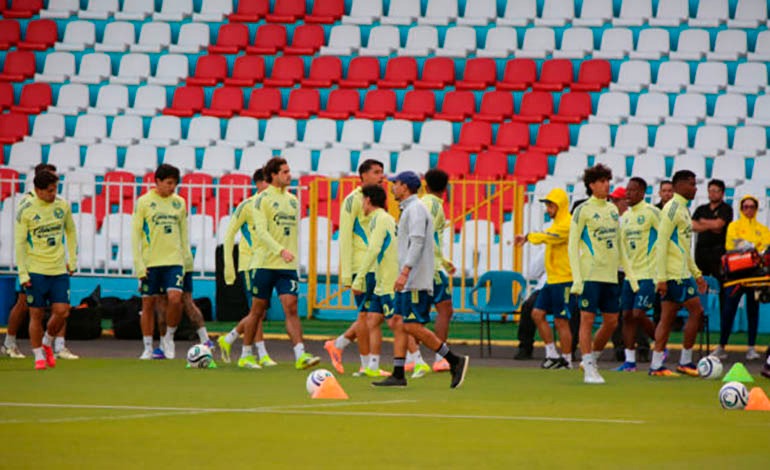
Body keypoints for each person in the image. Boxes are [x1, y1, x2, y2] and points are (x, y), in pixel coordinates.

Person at [373, 171, 469, 388]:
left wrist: (405, 272)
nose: (393, 187)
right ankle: (398, 373)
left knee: (412, 326)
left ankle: (453, 360)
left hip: (415, 279)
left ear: (405, 187)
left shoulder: (416, 209)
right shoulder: (410, 209)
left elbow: (417, 242)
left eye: (396, 183)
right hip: (410, 278)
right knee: (399, 322)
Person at [2, 163, 78, 360]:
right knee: (22, 304)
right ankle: (10, 342)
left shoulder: (59, 205)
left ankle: (58, 345)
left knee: (60, 306)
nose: (54, 191)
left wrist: (71, 258)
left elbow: (69, 230)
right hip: (33, 265)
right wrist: (23, 270)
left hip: (54, 264)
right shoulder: (27, 203)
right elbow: (21, 239)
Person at [251, 157, 320, 370]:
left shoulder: (293, 200)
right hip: (265, 263)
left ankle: (300, 354)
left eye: (289, 171)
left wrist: (290, 255)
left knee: (291, 307)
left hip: (287, 266)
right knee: (257, 311)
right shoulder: (261, 200)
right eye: (285, 172)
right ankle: (247, 352)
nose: (289, 175)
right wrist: (280, 250)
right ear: (273, 175)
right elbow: (261, 232)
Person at [323, 159, 388, 377]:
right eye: (376, 172)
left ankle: (339, 344)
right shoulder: (353, 201)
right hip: (362, 267)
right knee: (366, 316)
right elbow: (345, 237)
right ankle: (365, 364)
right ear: (363, 175)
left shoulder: (379, 199)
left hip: (378, 266)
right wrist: (348, 275)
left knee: (374, 315)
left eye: (382, 172)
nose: (381, 176)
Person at [131, 164, 191, 360]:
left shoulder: (179, 203)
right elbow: (135, 235)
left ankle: (168, 338)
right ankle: (148, 347)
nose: (172, 187)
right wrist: (139, 265)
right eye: (169, 183)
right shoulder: (144, 202)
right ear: (157, 181)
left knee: (175, 299)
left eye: (175, 184)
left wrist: (187, 260)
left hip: (174, 260)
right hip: (151, 262)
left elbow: (184, 234)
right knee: (148, 304)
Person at [651, 170, 707, 377]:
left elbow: (684, 248)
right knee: (695, 312)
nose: (695, 188)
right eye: (691, 184)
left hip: (682, 273)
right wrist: (661, 278)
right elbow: (661, 244)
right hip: (674, 275)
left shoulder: (684, 209)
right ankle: (682, 361)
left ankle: (658, 364)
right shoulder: (672, 209)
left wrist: (697, 274)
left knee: (668, 318)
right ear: (680, 185)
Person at [568, 164, 621, 384]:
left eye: (608, 180)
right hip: (590, 274)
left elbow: (618, 243)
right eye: (602, 181)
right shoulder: (582, 210)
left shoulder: (613, 210)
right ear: (591, 185)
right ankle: (589, 367)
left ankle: (591, 358)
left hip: (610, 275)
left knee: (612, 322)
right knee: (587, 320)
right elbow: (572, 245)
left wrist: (628, 272)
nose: (606, 185)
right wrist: (577, 278)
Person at [220, 168, 277, 368]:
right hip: (250, 263)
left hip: (268, 263)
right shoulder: (247, 206)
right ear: (259, 183)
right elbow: (229, 234)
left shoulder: (275, 206)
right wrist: (229, 268)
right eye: (268, 182)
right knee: (257, 309)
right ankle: (261, 353)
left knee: (259, 310)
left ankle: (230, 337)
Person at [515, 188, 574, 369]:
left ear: (560, 206)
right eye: (547, 206)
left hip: (564, 279)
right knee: (536, 313)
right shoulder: (555, 225)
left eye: (551, 206)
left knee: (561, 321)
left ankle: (567, 360)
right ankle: (552, 353)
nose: (548, 209)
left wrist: (528, 237)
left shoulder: (567, 224)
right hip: (552, 279)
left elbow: (548, 238)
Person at [349, 184, 399, 379]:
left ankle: (419, 359)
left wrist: (359, 278)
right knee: (372, 320)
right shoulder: (382, 219)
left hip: (388, 280)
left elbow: (374, 249)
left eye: (363, 200)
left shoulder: (381, 219)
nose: (361, 203)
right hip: (381, 280)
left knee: (397, 324)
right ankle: (373, 365)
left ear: (368, 200)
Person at [714, 195, 770, 361]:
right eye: (745, 206)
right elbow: (730, 245)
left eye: (752, 207)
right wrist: (751, 247)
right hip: (736, 275)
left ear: (756, 209)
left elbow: (764, 248)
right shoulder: (734, 226)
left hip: (755, 276)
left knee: (753, 310)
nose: (749, 210)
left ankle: (751, 348)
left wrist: (748, 247)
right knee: (728, 310)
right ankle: (721, 346)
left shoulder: (763, 229)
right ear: (741, 208)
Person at [616, 177, 661, 372]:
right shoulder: (625, 217)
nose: (628, 193)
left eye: (632, 190)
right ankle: (629, 361)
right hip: (630, 275)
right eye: (627, 190)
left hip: (649, 273)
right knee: (627, 316)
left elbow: (665, 237)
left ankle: (660, 345)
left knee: (639, 313)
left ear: (642, 192)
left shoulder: (652, 212)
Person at [417, 168, 457, 374]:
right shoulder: (433, 205)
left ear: (425, 185)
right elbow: (427, 235)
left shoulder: (422, 203)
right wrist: (439, 261)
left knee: (415, 316)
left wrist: (444, 261)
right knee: (444, 309)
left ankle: (413, 358)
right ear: (445, 188)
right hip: (430, 267)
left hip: (425, 264)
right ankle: (440, 357)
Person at [692, 179, 732, 343]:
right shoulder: (701, 209)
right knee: (700, 287)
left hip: (718, 255)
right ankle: (698, 321)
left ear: (722, 193)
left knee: (722, 288)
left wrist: (704, 223)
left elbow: (719, 225)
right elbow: (693, 225)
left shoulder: (726, 209)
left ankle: (724, 324)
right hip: (701, 254)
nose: (712, 194)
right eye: (710, 191)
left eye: (716, 191)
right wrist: (711, 225)